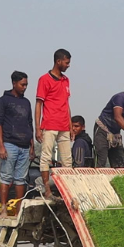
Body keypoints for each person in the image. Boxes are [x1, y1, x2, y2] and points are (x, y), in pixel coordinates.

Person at [0, 70, 35, 218]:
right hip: (9, 144)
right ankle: (4, 208)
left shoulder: (26, 102)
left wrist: (32, 146)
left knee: (21, 179)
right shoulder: (2, 101)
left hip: (25, 146)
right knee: (6, 177)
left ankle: (18, 209)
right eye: (22, 84)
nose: (25, 87)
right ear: (14, 83)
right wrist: (1, 146)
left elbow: (30, 124)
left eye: (26, 85)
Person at [35, 48, 73, 198]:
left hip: (64, 125)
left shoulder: (66, 80)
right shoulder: (44, 79)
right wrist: (37, 127)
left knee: (67, 161)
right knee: (46, 157)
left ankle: (67, 192)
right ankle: (47, 190)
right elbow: (39, 104)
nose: (68, 65)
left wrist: (70, 125)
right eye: (66, 62)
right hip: (50, 124)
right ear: (59, 61)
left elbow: (66, 103)